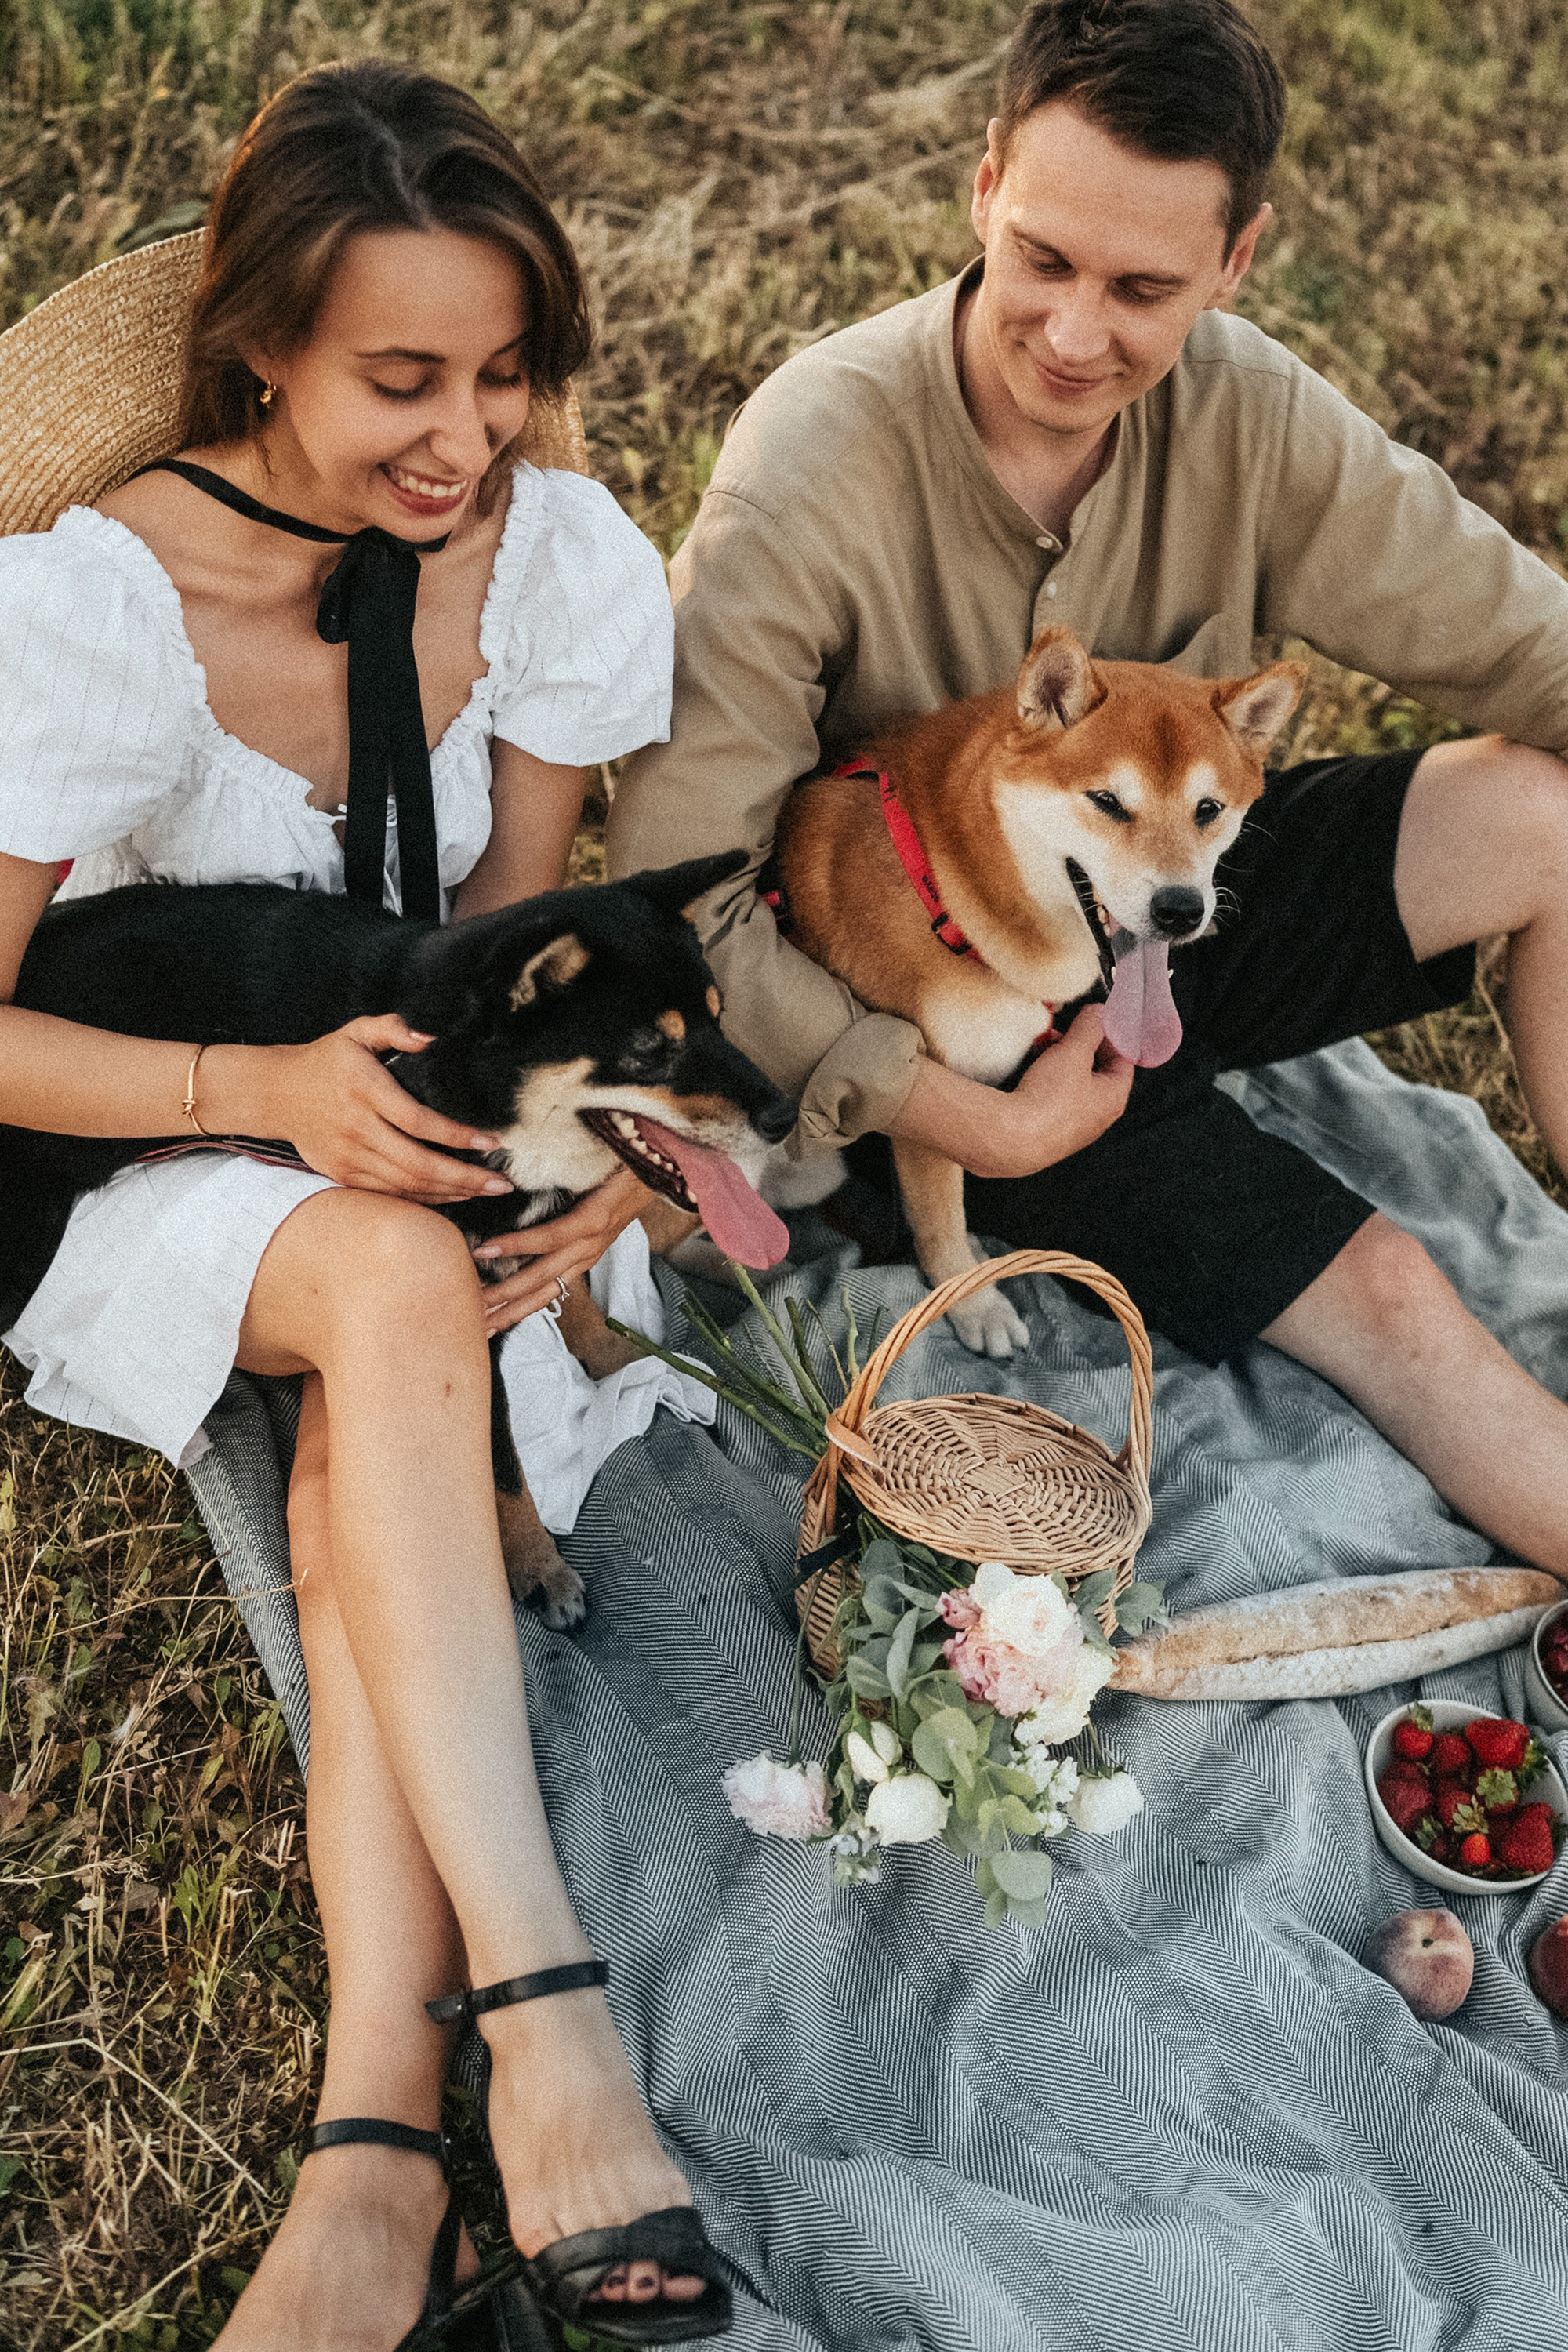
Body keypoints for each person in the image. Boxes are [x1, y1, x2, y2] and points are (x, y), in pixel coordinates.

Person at [0, 61, 731, 2351]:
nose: (467, 438)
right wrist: (261, 1092)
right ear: (261, 354)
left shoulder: (548, 569)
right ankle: (549, 2024)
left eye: (505, 377)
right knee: (392, 1282)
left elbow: (505, 948)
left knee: (401, 1332)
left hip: (383, 1140)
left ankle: (367, 2154)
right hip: (123, 1119)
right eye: (401, 379)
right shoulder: (93, 612)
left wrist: (583, 1174)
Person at [608, 0, 1568, 1580]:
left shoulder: (1250, 413)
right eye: (1042, 259)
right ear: (984, 182)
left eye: (1142, 290)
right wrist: (963, 1121)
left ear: (1235, 261)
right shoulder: (815, 453)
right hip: (950, 1035)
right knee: (1398, 1296)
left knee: (1540, 809)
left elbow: (1523, 641)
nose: (1071, 335)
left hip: (1167, 916)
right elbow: (675, 900)